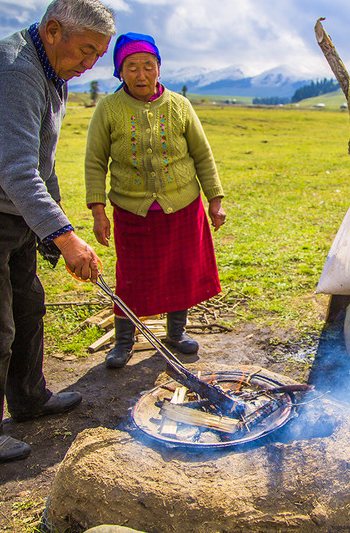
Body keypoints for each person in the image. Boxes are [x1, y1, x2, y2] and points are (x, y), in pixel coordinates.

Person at [0, 0, 115, 463]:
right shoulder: (14, 72)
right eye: (86, 51)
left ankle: (30, 398)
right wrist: (66, 237)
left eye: (98, 55)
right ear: (53, 30)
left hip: (13, 211)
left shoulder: (52, 72)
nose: (90, 64)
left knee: (28, 308)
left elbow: (41, 162)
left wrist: (53, 229)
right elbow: (16, 171)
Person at [85, 33, 226, 369]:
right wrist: (97, 210)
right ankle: (124, 341)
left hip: (182, 205)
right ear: (120, 72)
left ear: (159, 68)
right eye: (131, 67)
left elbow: (202, 155)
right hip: (132, 210)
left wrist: (215, 200)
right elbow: (94, 161)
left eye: (148, 66)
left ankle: (176, 334)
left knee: (182, 272)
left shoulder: (180, 106)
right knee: (130, 277)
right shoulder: (108, 109)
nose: (141, 74)